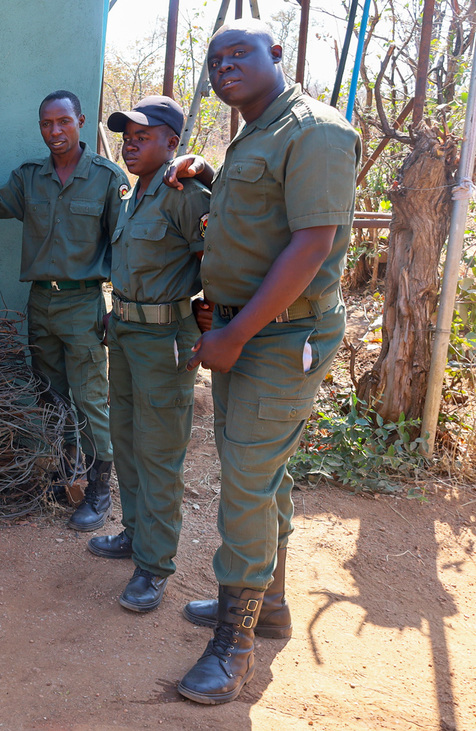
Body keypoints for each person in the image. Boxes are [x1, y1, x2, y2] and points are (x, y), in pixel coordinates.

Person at [164, 20, 361, 704]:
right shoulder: (259, 128)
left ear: (277, 54)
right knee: (261, 471)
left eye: (239, 53)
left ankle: (233, 646)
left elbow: (311, 245)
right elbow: (263, 212)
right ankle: (267, 607)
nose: (224, 67)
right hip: (248, 333)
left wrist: (236, 334)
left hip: (277, 337)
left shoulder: (317, 131)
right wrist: (210, 174)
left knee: (246, 480)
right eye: (215, 59)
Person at [0, 90, 127, 532]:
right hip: (41, 302)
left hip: (83, 302)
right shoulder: (29, 178)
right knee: (50, 395)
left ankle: (99, 489)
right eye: (46, 124)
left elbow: (126, 248)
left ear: (81, 122)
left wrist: (118, 307)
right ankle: (64, 473)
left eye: (63, 122)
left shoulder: (108, 179)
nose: (55, 132)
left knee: (90, 398)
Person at [88, 96, 210, 614]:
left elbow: (218, 260)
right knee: (128, 440)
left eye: (143, 134)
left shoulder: (186, 193)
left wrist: (213, 317)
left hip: (166, 340)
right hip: (128, 333)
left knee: (159, 454)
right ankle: (136, 535)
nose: (130, 142)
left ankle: (155, 566)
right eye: (126, 134)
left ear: (172, 143)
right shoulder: (130, 193)